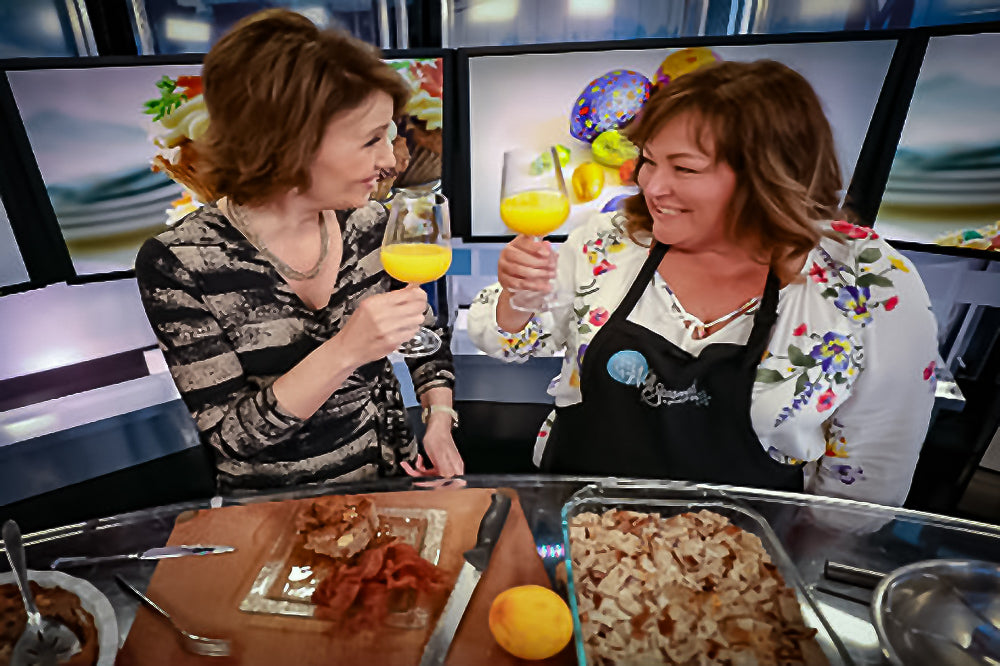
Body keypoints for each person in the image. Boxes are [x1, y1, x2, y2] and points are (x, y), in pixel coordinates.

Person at [469, 59, 938, 506]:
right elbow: (510, 342)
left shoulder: (867, 281)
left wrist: (800, 548)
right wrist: (519, 297)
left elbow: (872, 471)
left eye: (685, 168)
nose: (651, 187)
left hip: (742, 549)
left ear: (769, 175)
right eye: (649, 160)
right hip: (578, 521)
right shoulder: (609, 241)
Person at [135, 9, 463, 491]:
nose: (389, 160)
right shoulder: (180, 262)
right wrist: (345, 350)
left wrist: (439, 420)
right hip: (279, 510)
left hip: (391, 480)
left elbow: (423, 337)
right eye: (371, 140)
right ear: (288, 146)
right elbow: (231, 439)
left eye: (389, 135)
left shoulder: (373, 223)